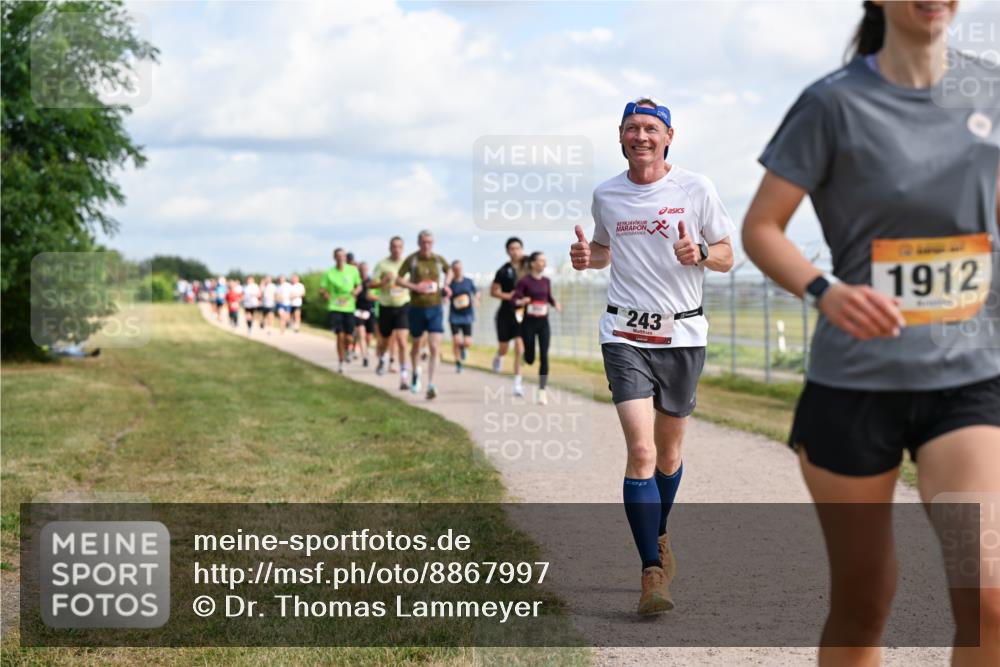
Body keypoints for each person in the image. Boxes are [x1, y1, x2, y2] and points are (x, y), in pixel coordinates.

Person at [743, 3, 1000, 663]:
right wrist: (825, 293)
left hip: (968, 376)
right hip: (854, 383)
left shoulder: (990, 92)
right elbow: (762, 227)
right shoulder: (832, 104)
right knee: (864, 601)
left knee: (989, 594)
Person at [570, 96, 735, 616]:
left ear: (668, 137)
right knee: (640, 453)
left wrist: (701, 253)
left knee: (668, 454)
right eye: (630, 129)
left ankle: (659, 532)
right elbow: (603, 249)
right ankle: (651, 573)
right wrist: (585, 257)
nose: (640, 136)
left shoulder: (696, 188)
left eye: (649, 128)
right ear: (620, 137)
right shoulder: (607, 194)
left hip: (682, 336)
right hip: (624, 333)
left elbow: (729, 256)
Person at [396, 230, 451, 399]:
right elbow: (398, 279)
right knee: (417, 345)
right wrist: (415, 287)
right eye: (424, 242)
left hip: (435, 307)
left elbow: (449, 271)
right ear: (419, 243)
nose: (427, 245)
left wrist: (446, 286)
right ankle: (415, 373)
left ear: (433, 243)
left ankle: (431, 384)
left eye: (430, 242)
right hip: (416, 307)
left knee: (435, 347)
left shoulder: (438, 259)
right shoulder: (412, 260)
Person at [513, 252, 560, 404]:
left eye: (545, 261)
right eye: (540, 261)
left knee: (544, 356)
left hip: (543, 323)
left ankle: (541, 391)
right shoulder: (524, 281)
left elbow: (548, 297)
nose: (543, 264)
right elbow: (515, 298)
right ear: (532, 263)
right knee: (530, 358)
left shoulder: (546, 281)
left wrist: (555, 303)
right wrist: (522, 301)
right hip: (528, 323)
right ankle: (526, 356)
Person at [491, 237, 529, 395]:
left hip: (522, 314)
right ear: (508, 251)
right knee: (504, 348)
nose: (515, 251)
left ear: (522, 249)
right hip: (505, 314)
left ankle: (517, 383)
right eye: (512, 249)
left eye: (518, 248)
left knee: (520, 348)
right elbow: (493, 292)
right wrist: (511, 296)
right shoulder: (503, 270)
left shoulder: (528, 267)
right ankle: (499, 356)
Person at [371, 236, 411, 386]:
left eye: (399, 247)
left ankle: (404, 375)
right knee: (385, 341)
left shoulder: (407, 264)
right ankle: (382, 358)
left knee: (401, 340)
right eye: (394, 246)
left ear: (403, 248)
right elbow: (371, 284)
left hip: (403, 305)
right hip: (386, 306)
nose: (396, 249)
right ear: (390, 248)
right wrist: (383, 282)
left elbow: (414, 283)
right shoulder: (382, 264)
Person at [319, 248, 362, 373]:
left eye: (342, 256)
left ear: (345, 258)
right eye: (338, 256)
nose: (340, 258)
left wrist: (356, 291)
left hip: (349, 307)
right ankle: (341, 362)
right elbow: (322, 288)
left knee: (349, 337)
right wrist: (325, 294)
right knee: (339, 335)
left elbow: (359, 285)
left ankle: (349, 349)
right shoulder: (329, 273)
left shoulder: (353, 270)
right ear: (334, 258)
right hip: (335, 306)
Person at [447, 260, 479, 373]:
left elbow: (476, 292)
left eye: (459, 268)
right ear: (452, 270)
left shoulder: (468, 281)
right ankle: (458, 363)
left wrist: (476, 299)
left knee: (467, 342)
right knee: (456, 340)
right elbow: (444, 295)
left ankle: (463, 349)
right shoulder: (450, 284)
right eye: (455, 269)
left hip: (467, 315)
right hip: (454, 316)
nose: (458, 270)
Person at [353, 262, 376, 367]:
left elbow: (378, 297)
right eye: (361, 269)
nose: (363, 271)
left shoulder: (372, 282)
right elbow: (352, 294)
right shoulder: (356, 282)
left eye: (365, 269)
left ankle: (365, 348)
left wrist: (372, 297)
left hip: (370, 311)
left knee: (369, 336)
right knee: (361, 333)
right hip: (358, 311)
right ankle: (365, 356)